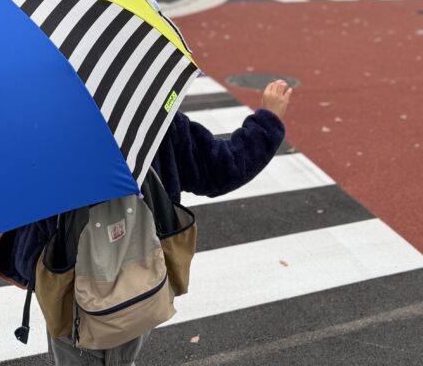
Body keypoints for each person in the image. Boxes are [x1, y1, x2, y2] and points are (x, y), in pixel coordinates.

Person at [47, 78, 293, 366]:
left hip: (71, 285)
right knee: (123, 350)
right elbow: (222, 167)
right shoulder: (153, 118)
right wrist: (268, 120)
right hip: (143, 272)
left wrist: (24, 265)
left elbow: (29, 216)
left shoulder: (48, 123)